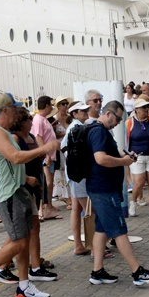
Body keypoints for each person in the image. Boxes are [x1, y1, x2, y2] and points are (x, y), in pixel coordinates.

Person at [0, 93, 59, 297]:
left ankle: (24, 286)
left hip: (17, 189)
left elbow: (9, 163)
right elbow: (15, 157)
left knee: (24, 239)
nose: (19, 114)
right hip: (8, 194)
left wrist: (24, 177)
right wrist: (44, 148)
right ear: (6, 111)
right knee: (18, 242)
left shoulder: (4, 132)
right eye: (15, 109)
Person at [85, 101, 149, 287]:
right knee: (119, 231)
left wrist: (125, 157)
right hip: (104, 188)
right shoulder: (99, 131)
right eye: (118, 118)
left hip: (101, 187)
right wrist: (124, 162)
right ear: (109, 113)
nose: (119, 122)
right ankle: (137, 272)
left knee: (102, 229)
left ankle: (97, 271)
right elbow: (101, 158)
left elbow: (108, 154)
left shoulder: (100, 130)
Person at [12, 108, 56, 282]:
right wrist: (25, 178)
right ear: (22, 121)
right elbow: (14, 162)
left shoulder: (28, 137)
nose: (32, 122)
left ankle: (35, 265)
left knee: (33, 227)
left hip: (33, 185)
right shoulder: (15, 138)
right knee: (20, 232)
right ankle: (2, 264)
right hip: (24, 187)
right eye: (29, 119)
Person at [62, 102, 93, 255]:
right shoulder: (76, 129)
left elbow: (63, 148)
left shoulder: (74, 128)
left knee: (77, 209)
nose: (86, 112)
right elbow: (65, 149)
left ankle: (79, 245)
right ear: (74, 114)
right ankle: (94, 246)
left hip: (74, 173)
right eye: (83, 111)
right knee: (89, 210)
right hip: (78, 174)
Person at [126, 97, 149, 218]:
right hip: (137, 158)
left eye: (147, 107)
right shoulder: (129, 123)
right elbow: (125, 141)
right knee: (139, 182)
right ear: (136, 109)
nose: (146, 110)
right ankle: (133, 202)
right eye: (143, 107)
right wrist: (128, 155)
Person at [30, 96, 61, 220]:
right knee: (47, 182)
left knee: (50, 182)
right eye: (51, 106)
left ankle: (49, 207)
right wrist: (46, 154)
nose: (52, 108)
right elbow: (38, 137)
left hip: (51, 155)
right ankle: (44, 208)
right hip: (46, 156)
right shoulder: (38, 120)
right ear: (47, 106)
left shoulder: (43, 119)